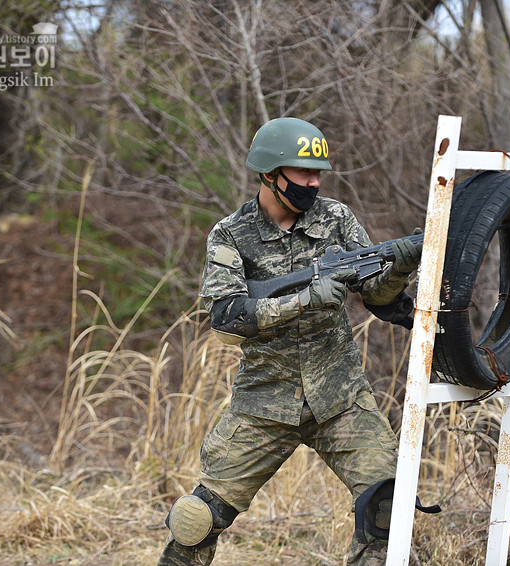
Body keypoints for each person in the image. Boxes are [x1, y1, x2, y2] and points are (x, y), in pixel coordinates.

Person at [157, 117, 425, 566]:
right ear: (270, 173)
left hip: (340, 399)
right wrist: (305, 300)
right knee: (196, 520)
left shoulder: (337, 218)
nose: (314, 182)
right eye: (303, 172)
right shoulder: (229, 235)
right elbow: (228, 316)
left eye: (318, 173)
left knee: (387, 509)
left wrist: (400, 265)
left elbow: (377, 294)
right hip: (264, 404)